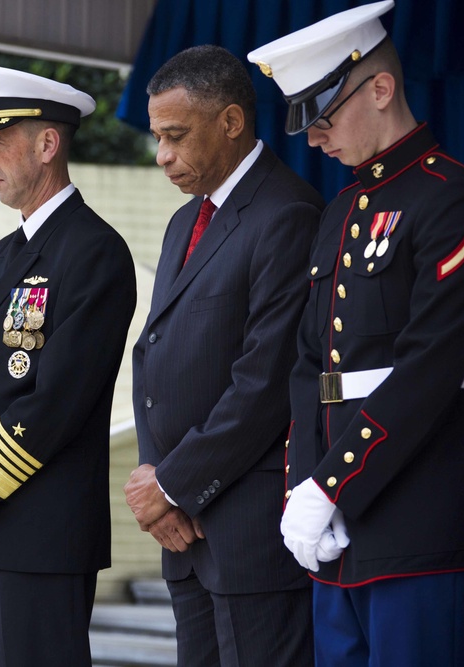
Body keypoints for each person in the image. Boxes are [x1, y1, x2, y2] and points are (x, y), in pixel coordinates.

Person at [247, 2, 464, 664]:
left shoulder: (453, 198)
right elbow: (310, 365)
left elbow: (429, 365)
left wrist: (334, 481)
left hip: (421, 517)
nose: (313, 139)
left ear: (382, 88)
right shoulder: (340, 210)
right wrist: (304, 486)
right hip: (340, 528)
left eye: (324, 115)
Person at [0, 65, 137, 667]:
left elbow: (57, 398)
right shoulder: (3, 254)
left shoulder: (93, 250)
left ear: (47, 144)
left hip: (38, 532)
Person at [123, 45, 323, 667]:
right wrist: (158, 487)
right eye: (158, 137)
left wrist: (175, 485)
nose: (162, 157)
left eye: (176, 136)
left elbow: (263, 383)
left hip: (245, 531)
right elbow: (152, 356)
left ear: (232, 122)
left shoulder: (286, 213)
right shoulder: (185, 222)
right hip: (184, 530)